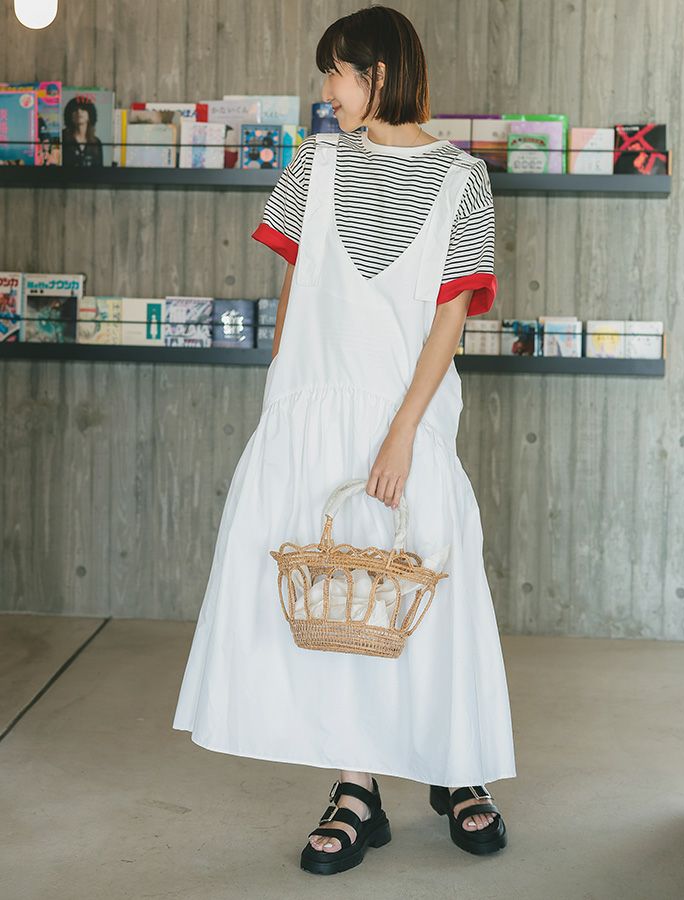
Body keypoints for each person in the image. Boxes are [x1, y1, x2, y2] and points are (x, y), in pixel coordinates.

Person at [172, 4, 517, 875]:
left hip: (409, 416)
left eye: (338, 71)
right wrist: (282, 398)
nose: (326, 89)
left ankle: (457, 768)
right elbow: (298, 286)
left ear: (380, 74)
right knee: (336, 604)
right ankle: (355, 787)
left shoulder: (462, 179)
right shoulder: (315, 162)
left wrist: (401, 434)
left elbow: (450, 319)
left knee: (429, 587)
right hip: (312, 413)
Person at [62, 95, 103, 167]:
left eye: (83, 109)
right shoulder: (62, 138)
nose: (79, 111)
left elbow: (100, 170)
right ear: (70, 116)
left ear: (90, 115)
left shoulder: (96, 143)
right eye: (75, 110)